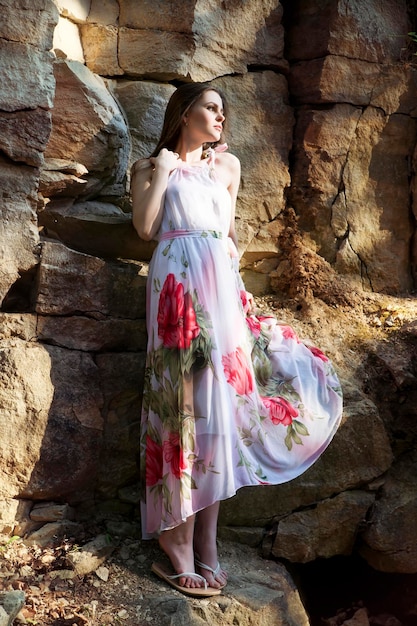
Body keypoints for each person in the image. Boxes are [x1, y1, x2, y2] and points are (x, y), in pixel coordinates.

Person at [131, 82, 343, 597]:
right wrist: (162, 171)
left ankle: (207, 540)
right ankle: (174, 543)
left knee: (221, 408)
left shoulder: (227, 168)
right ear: (184, 113)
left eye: (223, 109)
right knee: (182, 406)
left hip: (220, 289)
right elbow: (146, 227)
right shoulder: (148, 167)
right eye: (210, 107)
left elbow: (226, 235)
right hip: (176, 288)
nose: (221, 117)